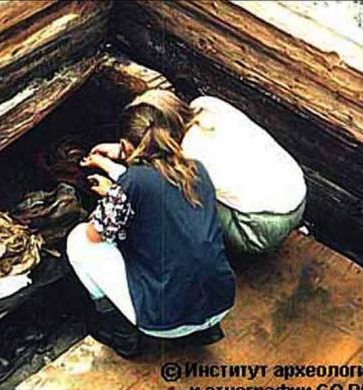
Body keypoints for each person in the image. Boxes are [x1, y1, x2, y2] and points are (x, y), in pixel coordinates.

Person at [66, 90, 236, 357]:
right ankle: (205, 329)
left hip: (165, 321)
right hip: (220, 302)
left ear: (126, 144)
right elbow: (157, 187)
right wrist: (114, 179)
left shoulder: (133, 182)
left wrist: (113, 194)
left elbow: (95, 233)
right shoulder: (197, 169)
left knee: (78, 241)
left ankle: (118, 329)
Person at [89, 90, 307, 255]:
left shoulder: (188, 161)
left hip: (261, 227)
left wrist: (114, 177)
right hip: (296, 193)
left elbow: (151, 192)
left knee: (172, 203)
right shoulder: (206, 106)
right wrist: (121, 150)